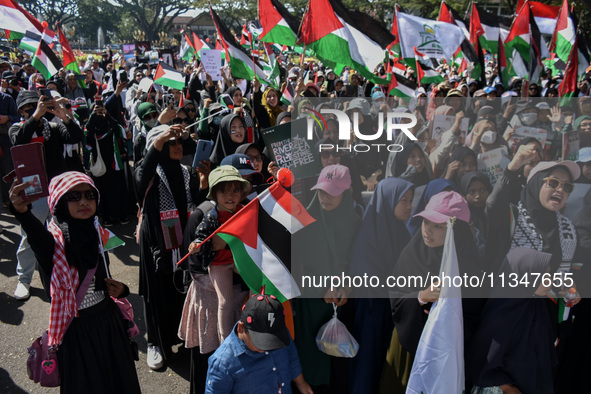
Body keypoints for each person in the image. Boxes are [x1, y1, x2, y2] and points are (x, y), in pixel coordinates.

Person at [8, 171, 141, 393]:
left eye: (89, 195)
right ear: (60, 202)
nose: (83, 201)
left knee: (119, 383)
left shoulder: (97, 232)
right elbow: (35, 235)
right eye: (74, 196)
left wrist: (122, 289)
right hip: (77, 333)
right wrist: (22, 212)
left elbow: (101, 278)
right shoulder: (53, 242)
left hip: (109, 325)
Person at [380, 191, 482, 393]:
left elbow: (474, 315)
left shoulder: (469, 268)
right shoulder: (413, 253)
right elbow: (396, 295)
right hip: (409, 345)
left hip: (447, 353)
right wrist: (420, 297)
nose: (427, 231)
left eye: (438, 226)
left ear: (457, 230)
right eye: (426, 223)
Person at [134, 124, 202, 370]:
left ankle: (183, 337)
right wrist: (161, 137)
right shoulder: (147, 174)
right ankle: (156, 344)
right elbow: (142, 174)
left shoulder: (186, 172)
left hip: (182, 245)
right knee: (156, 297)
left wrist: (202, 184)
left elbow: (196, 204)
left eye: (178, 142)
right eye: (169, 142)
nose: (176, 146)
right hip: (157, 246)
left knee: (182, 293)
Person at [292, 164, 361, 391]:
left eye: (333, 192)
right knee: (312, 363)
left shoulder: (355, 221)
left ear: (347, 192)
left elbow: (358, 263)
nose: (325, 197)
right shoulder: (304, 221)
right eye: (322, 191)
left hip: (342, 303)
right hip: (311, 303)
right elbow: (296, 267)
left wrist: (348, 287)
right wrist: (321, 289)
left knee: (338, 365)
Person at [10, 90, 84, 300]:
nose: (36, 110)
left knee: (62, 233)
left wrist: (63, 115)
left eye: (39, 105)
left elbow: (76, 136)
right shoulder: (19, 128)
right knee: (29, 235)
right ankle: (23, 279)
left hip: (56, 189)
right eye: (29, 108)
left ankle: (64, 274)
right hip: (33, 192)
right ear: (21, 111)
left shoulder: (53, 127)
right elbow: (18, 141)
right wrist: (35, 116)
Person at [348, 178, 414, 394]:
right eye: (403, 201)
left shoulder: (402, 232)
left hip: (392, 310)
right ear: (388, 201)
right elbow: (364, 275)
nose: (409, 206)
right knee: (368, 362)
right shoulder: (369, 235)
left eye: (410, 201)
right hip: (372, 311)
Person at [469, 248, 556, 394]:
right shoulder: (502, 315)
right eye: (544, 276)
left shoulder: (536, 305)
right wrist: (508, 387)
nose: (550, 281)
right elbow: (482, 362)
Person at [188, 166, 251, 342]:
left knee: (258, 285)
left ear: (242, 193)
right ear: (214, 195)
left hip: (239, 259)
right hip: (219, 265)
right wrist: (196, 244)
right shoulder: (211, 217)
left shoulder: (245, 212)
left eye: (235, 190)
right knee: (226, 302)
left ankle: (252, 327)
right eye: (223, 191)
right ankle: (225, 340)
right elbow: (200, 235)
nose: (229, 196)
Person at [205, 293, 313, 394]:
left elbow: (291, 356)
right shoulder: (222, 363)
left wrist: (301, 383)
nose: (268, 347)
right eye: (261, 342)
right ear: (241, 328)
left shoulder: (281, 333)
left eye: (273, 341)